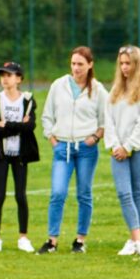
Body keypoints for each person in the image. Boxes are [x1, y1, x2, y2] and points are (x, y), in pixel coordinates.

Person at [38, 46, 107, 254]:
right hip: (62, 148)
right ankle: (52, 241)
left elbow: (105, 121)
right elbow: (47, 115)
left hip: (86, 150)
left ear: (90, 65)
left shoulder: (98, 90)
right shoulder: (58, 86)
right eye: (73, 63)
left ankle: (80, 240)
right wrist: (52, 138)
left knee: (84, 194)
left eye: (80, 64)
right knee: (57, 193)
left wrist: (94, 138)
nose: (76, 68)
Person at [104, 45, 140, 257]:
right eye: (121, 64)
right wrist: (115, 145)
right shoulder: (116, 89)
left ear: (137, 64)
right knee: (123, 192)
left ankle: (134, 238)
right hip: (117, 148)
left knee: (137, 192)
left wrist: (129, 146)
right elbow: (107, 118)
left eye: (128, 63)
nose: (124, 68)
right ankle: (138, 240)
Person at [0, 61, 40, 253]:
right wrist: (17, 126)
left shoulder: (27, 100)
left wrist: (6, 125)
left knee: (20, 195)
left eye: (9, 75)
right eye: (2, 75)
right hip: (0, 155)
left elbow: (30, 127)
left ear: (19, 78)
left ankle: (23, 237)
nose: (5, 79)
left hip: (20, 155)